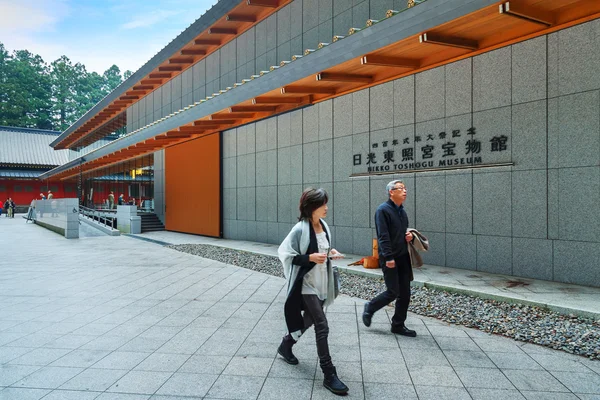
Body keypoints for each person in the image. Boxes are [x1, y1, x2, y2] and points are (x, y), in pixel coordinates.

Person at [277, 188, 349, 396]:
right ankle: (329, 374)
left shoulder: (324, 226)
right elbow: (286, 254)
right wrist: (309, 258)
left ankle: (286, 345)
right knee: (321, 324)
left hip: (321, 282)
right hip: (306, 284)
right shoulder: (300, 229)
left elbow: (324, 249)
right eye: (322, 204)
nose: (326, 208)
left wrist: (331, 253)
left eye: (326, 203)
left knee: (308, 321)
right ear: (311, 208)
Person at [362, 180, 416, 337]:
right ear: (391, 192)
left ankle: (398, 325)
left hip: (403, 257)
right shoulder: (383, 210)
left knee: (405, 294)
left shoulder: (402, 211)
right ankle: (370, 307)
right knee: (393, 291)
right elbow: (383, 236)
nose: (405, 191)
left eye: (405, 188)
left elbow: (403, 232)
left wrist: (410, 236)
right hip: (390, 257)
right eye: (401, 188)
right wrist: (388, 257)